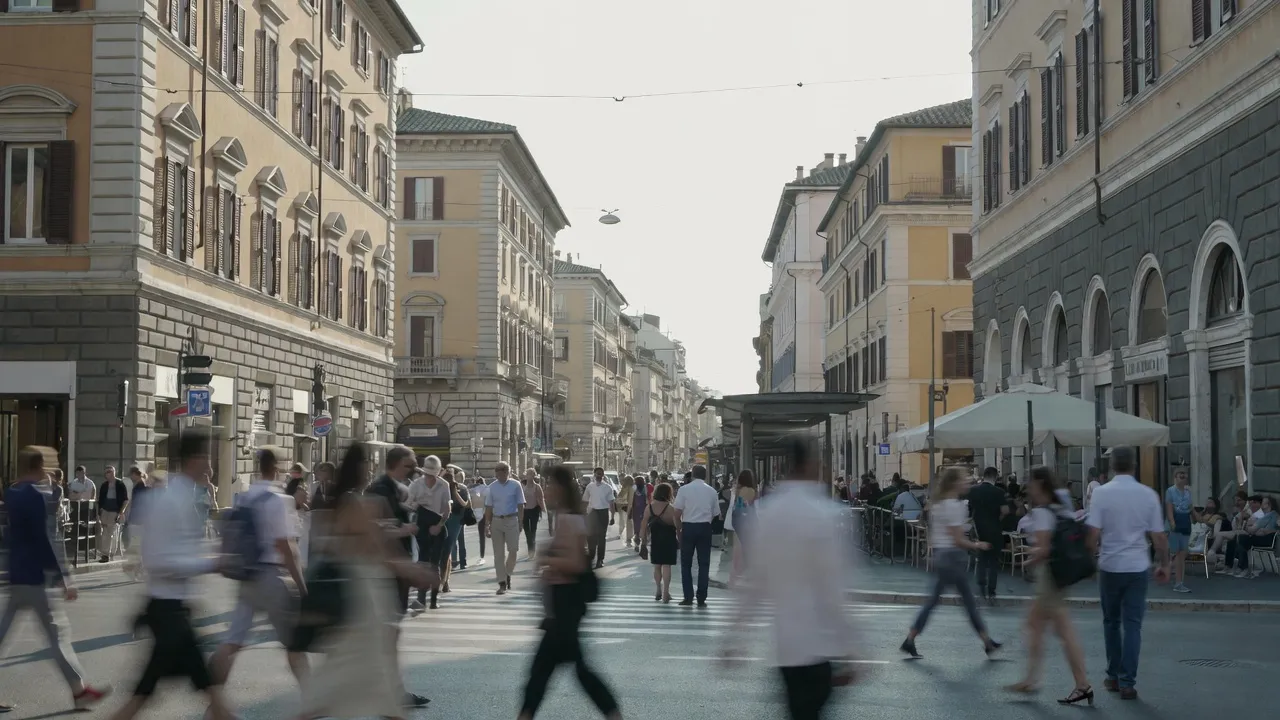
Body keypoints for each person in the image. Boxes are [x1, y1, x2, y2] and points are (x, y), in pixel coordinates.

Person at [722, 438, 861, 720]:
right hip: (819, 644)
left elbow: (756, 582)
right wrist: (853, 647)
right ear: (811, 465)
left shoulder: (769, 512)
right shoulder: (825, 514)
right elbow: (834, 588)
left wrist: (735, 636)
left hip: (786, 646)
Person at [293, 443, 433, 720]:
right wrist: (415, 571)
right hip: (362, 593)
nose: (370, 468)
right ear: (358, 468)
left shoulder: (341, 500)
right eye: (367, 463)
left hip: (358, 591)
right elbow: (377, 550)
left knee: (350, 682)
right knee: (364, 677)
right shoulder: (353, 502)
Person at [103, 430, 233, 720]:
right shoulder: (170, 500)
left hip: (173, 609)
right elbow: (159, 560)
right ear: (195, 459)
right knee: (188, 689)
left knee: (153, 692)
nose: (211, 465)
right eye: (207, 456)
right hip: (167, 611)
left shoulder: (182, 496)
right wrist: (209, 564)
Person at [0, 447, 112, 713]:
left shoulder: (12, 493)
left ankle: (79, 690)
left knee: (4, 635)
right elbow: (44, 539)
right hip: (36, 577)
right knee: (57, 637)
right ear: (39, 467)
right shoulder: (35, 497)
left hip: (17, 573)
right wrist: (64, 577)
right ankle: (80, 691)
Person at [207, 448, 310, 706]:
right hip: (270, 577)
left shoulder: (245, 497)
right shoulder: (278, 500)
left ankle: (213, 702)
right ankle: (313, 700)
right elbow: (286, 547)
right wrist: (301, 585)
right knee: (294, 643)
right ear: (276, 468)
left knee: (233, 640)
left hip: (247, 575)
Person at [517, 465, 621, 720]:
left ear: (561, 488)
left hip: (566, 605)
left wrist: (547, 561)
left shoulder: (570, 519)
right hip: (561, 605)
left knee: (546, 672)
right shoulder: (564, 516)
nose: (547, 490)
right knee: (563, 671)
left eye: (550, 485)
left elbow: (575, 563)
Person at [1085, 446, 1169, 700]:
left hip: (1110, 566)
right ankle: (1127, 682)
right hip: (1137, 566)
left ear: (1111, 466)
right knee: (1133, 625)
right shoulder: (1147, 494)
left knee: (1111, 622)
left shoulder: (1101, 493)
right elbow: (1159, 537)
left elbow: (1093, 535)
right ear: (1134, 466)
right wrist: (1163, 564)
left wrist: (1090, 562)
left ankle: (1112, 675)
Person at [1004, 467, 1091, 705]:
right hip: (1058, 575)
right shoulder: (1061, 503)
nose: (1027, 488)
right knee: (1043, 627)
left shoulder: (1042, 512)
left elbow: (1043, 548)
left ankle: (1074, 683)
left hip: (1049, 577)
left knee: (1055, 629)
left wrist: (1028, 558)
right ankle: (1033, 679)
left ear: (1040, 485)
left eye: (1030, 483)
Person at [900, 467, 1001, 659]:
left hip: (942, 555)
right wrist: (977, 544)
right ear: (954, 483)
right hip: (952, 556)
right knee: (967, 602)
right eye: (964, 480)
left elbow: (935, 535)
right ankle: (987, 641)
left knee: (937, 601)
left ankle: (910, 639)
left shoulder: (937, 504)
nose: (967, 483)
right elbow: (958, 539)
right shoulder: (954, 506)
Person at [672, 465, 720, 607]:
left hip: (689, 526)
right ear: (705, 475)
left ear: (692, 475)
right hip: (705, 527)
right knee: (704, 563)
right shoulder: (711, 491)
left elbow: (677, 512)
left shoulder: (684, 490)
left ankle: (688, 596)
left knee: (686, 563)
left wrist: (679, 529)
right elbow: (716, 513)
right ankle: (701, 597)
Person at [408, 457, 451, 610]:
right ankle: (421, 599)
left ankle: (433, 600)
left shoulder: (444, 485)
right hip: (422, 526)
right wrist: (417, 504)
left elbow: (447, 509)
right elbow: (408, 505)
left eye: (433, 474)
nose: (429, 477)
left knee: (435, 565)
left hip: (437, 526)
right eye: (427, 474)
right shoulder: (416, 485)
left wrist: (440, 525)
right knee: (423, 562)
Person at [967, 466, 1010, 604]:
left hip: (979, 529)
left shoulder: (973, 490)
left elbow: (970, 509)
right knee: (993, 562)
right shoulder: (999, 492)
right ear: (995, 477)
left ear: (984, 475)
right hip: (994, 529)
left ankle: (981, 587)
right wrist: (998, 519)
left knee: (981, 559)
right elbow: (1005, 510)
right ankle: (991, 591)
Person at [484, 461, 526, 595]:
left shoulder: (515, 485)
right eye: (498, 474)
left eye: (502, 474)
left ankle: (507, 573)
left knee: (513, 550)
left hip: (512, 519)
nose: (500, 477)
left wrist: (521, 521)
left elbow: (520, 504)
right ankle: (502, 583)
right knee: (498, 554)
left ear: (508, 473)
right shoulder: (492, 487)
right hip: (497, 521)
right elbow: (489, 507)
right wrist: (487, 525)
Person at [640, 481, 680, 602]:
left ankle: (658, 589)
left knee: (657, 566)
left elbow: (643, 525)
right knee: (667, 566)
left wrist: (643, 541)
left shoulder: (649, 507)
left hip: (655, 538)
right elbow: (678, 526)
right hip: (669, 539)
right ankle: (666, 593)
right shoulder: (671, 508)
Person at [1164, 467, 1194, 593]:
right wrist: (1172, 522)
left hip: (1186, 522)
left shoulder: (1188, 492)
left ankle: (1179, 582)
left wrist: (1198, 518)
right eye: (1180, 473)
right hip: (1175, 523)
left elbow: (1190, 507)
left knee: (1182, 553)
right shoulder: (1170, 491)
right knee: (1176, 553)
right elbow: (1169, 507)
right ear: (1175, 476)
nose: (1183, 475)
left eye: (1184, 473)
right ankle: (1176, 580)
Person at [582, 467, 617, 569]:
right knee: (590, 536)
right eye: (597, 474)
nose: (599, 476)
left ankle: (600, 559)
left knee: (601, 537)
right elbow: (585, 500)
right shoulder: (590, 487)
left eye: (601, 474)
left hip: (603, 513)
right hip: (592, 512)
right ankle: (591, 555)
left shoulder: (608, 487)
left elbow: (611, 503)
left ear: (603, 475)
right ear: (594, 474)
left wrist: (613, 516)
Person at [728, 470, 757, 587]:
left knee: (738, 547)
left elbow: (737, 505)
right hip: (745, 520)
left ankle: (734, 576)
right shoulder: (749, 490)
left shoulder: (737, 489)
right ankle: (743, 573)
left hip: (736, 519)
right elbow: (744, 506)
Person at [97, 465, 129, 563]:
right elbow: (100, 499)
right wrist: (100, 511)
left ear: (114, 472)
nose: (108, 474)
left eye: (110, 471)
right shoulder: (104, 485)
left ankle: (106, 554)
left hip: (115, 511)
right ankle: (108, 553)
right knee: (105, 532)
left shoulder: (120, 484)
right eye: (107, 472)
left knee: (110, 532)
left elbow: (125, 500)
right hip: (105, 511)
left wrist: (121, 512)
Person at [522, 468, 546, 557]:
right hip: (524, 511)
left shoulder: (537, 486)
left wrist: (543, 510)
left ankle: (532, 550)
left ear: (534, 476)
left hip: (534, 511)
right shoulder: (522, 486)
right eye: (528, 474)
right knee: (527, 532)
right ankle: (530, 549)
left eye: (531, 474)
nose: (529, 476)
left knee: (533, 531)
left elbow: (541, 499)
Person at [616, 475, 634, 547]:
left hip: (623, 507)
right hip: (626, 507)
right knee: (628, 523)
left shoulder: (626, 488)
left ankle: (623, 535)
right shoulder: (630, 488)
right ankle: (628, 537)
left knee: (623, 522)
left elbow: (621, 497)